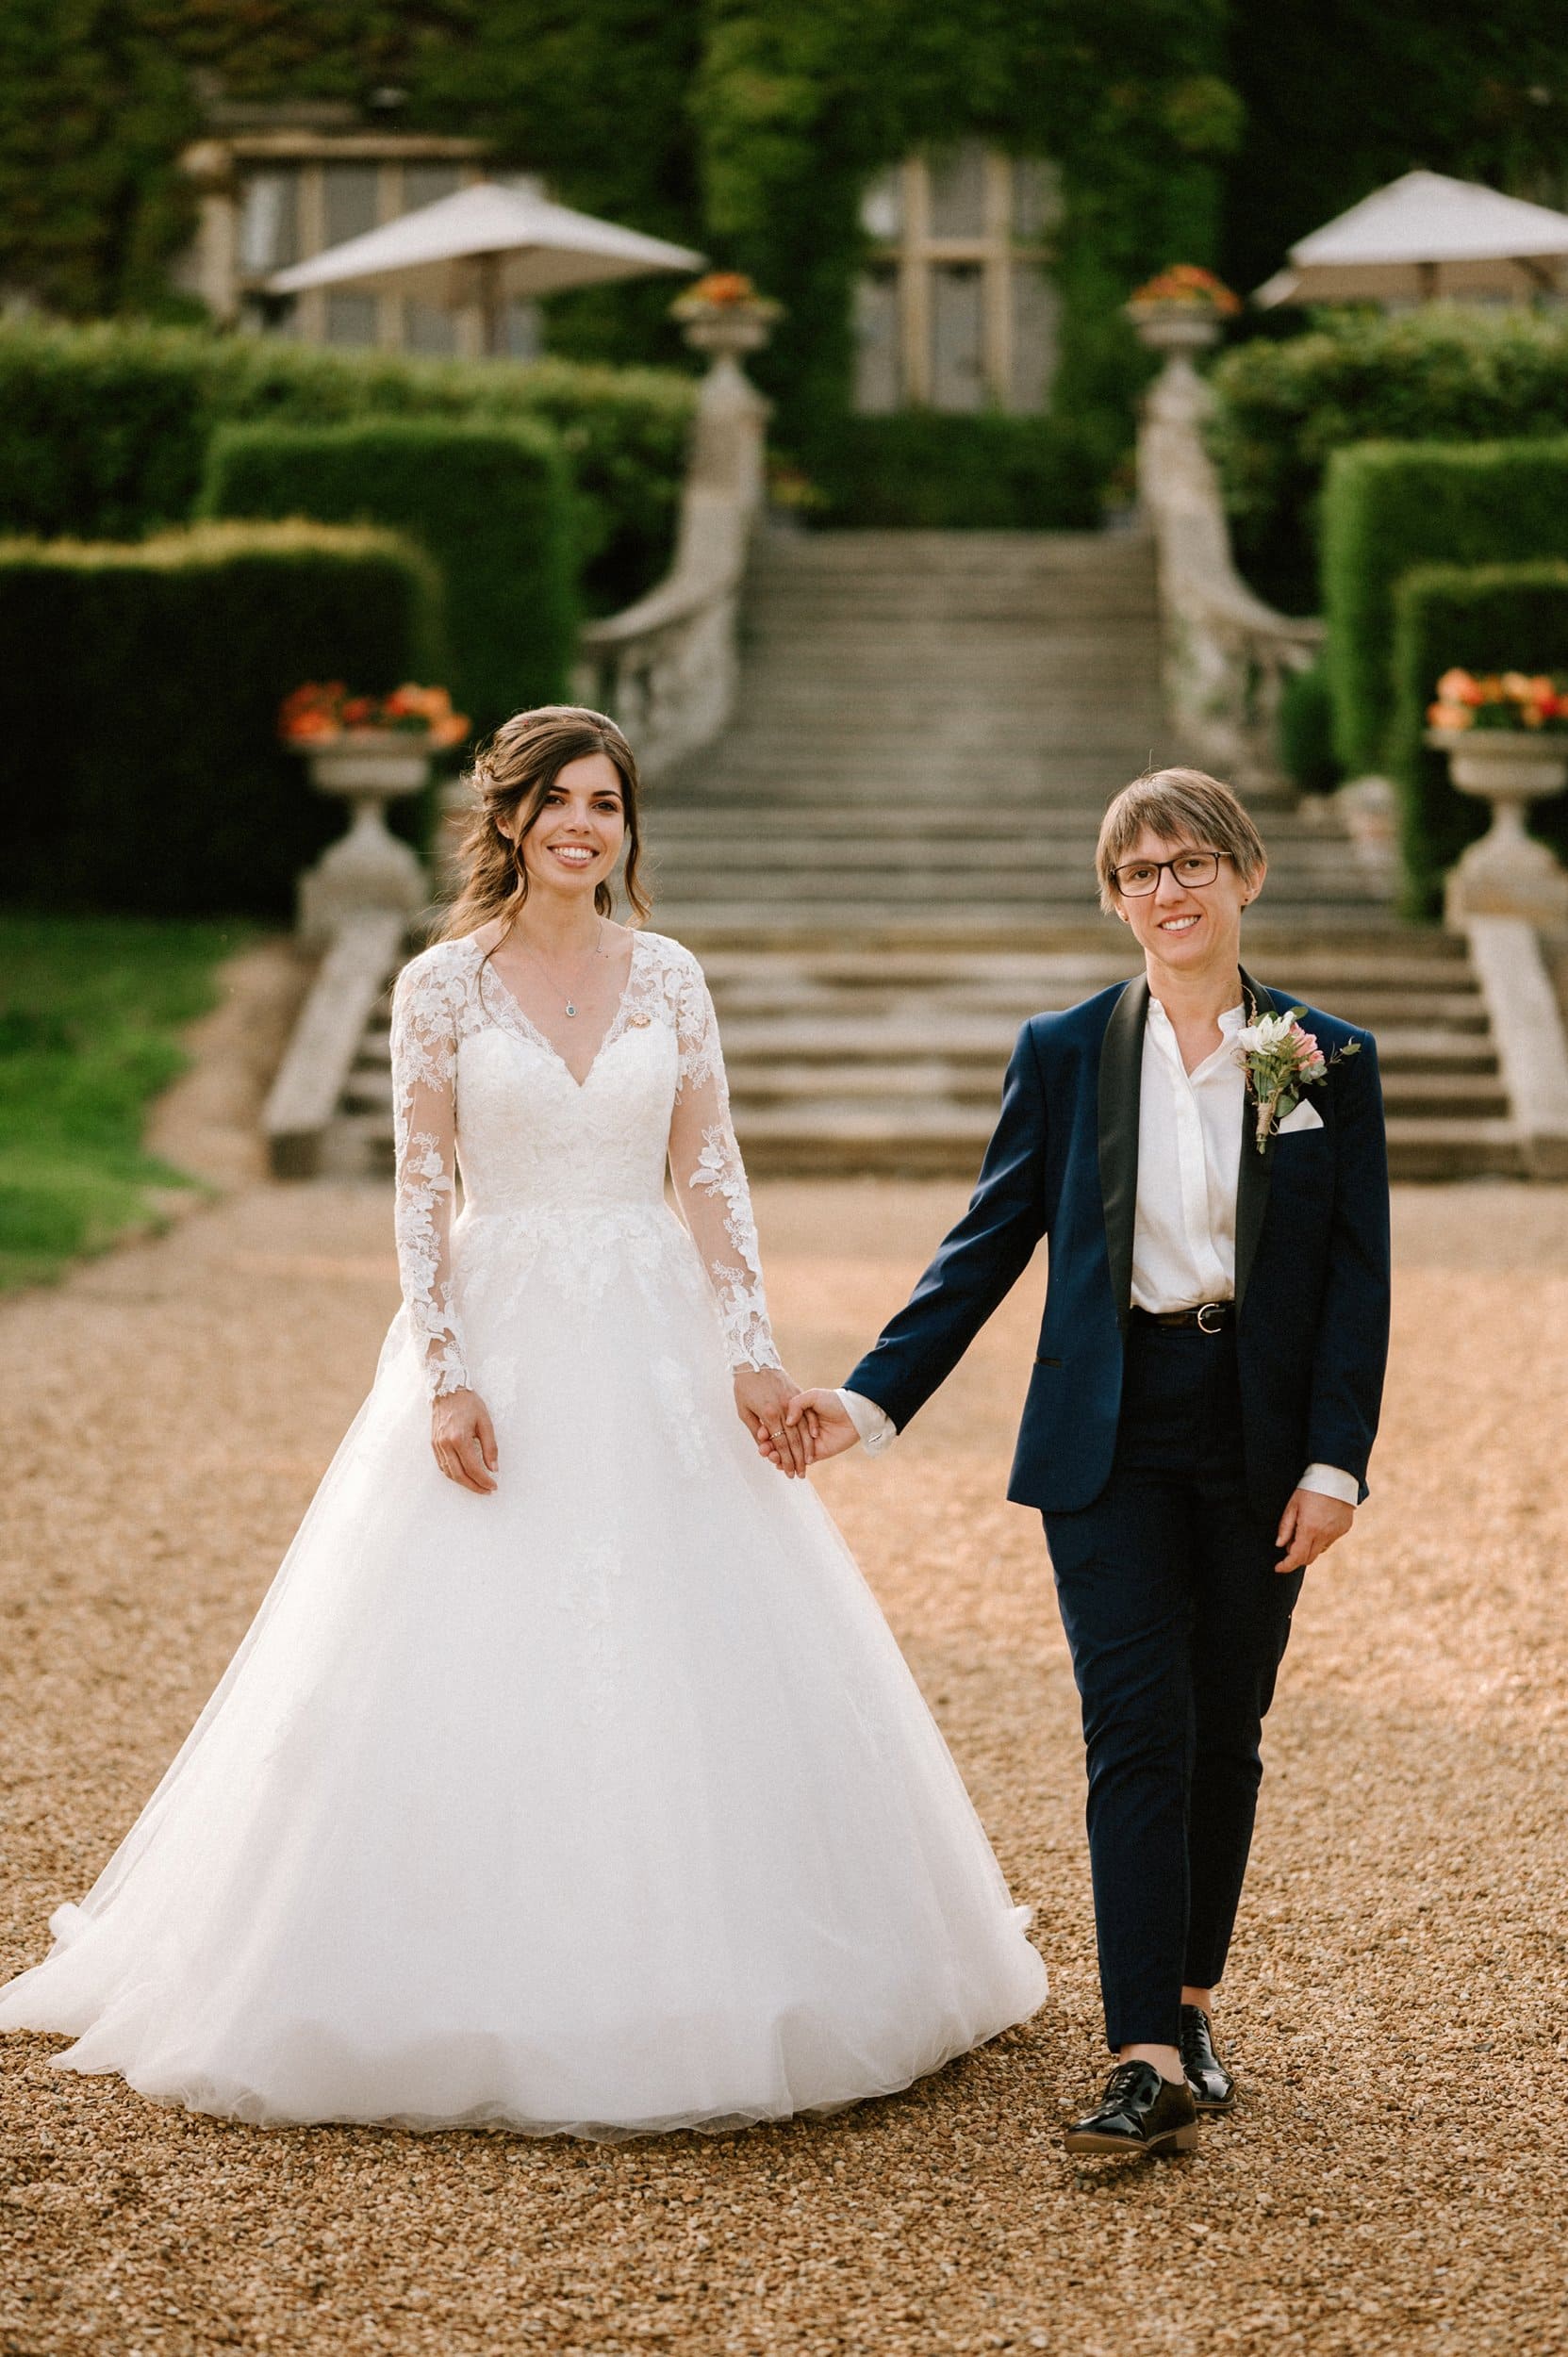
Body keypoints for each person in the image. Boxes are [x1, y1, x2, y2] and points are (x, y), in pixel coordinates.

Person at [0, 706, 1045, 2136]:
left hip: (651, 1326)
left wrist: (750, 1355)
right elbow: (421, 1187)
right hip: (500, 1325)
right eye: (558, 800)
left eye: (607, 804)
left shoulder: (670, 976)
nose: (583, 825)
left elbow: (712, 1175)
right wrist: (444, 1370)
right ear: (508, 820)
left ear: (627, 828)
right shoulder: (440, 985)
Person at [784, 767, 1390, 2159]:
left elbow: (1359, 1282)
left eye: (1189, 865)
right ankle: (1142, 2054)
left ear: (1245, 876)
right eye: (1137, 874)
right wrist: (871, 1403)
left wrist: (1337, 1464)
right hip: (1107, 1426)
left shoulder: (1326, 1059)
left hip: (1260, 1432)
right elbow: (986, 1242)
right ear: (1113, 898)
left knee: (1224, 1729)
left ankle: (1189, 1998)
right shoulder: (1064, 1052)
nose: (1164, 893)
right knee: (1134, 1728)